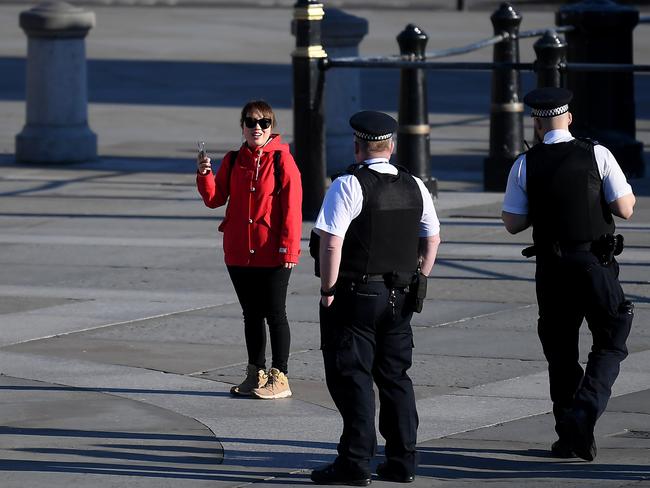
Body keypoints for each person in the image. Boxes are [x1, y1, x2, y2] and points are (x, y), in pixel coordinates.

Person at [502, 87, 636, 461]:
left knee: (561, 354)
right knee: (610, 341)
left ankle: (570, 436)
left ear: (537, 122)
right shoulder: (597, 154)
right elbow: (625, 209)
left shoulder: (525, 164)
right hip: (595, 265)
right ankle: (585, 411)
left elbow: (512, 223)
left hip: (551, 268)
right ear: (569, 119)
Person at [309, 111, 441, 485]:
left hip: (356, 294)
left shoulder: (349, 185)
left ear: (358, 145)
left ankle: (354, 462)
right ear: (392, 146)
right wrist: (421, 278)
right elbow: (432, 239)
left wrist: (327, 290)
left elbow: (331, 241)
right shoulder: (415, 184)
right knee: (396, 377)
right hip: (400, 295)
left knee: (353, 377)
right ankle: (402, 461)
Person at [196, 100, 303, 400]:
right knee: (251, 314)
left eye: (264, 123)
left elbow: (292, 209)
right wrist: (205, 174)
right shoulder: (233, 160)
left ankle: (280, 376)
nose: (257, 128)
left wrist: (289, 250)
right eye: (251, 122)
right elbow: (214, 199)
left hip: (273, 251)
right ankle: (255, 371)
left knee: (275, 313)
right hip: (239, 251)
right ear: (242, 126)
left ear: (272, 127)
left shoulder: (282, 161)